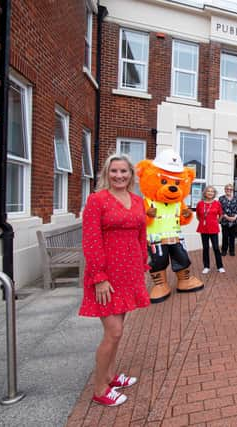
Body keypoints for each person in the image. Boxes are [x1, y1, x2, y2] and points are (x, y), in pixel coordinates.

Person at [80, 154, 150, 407]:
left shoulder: (137, 201)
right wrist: (98, 277)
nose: (119, 176)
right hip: (106, 276)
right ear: (106, 174)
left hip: (129, 273)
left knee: (117, 334)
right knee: (114, 332)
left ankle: (110, 377)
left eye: (124, 171)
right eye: (114, 171)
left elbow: (142, 235)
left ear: (131, 174)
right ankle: (100, 389)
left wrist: (143, 263)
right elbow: (90, 240)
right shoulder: (97, 200)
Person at [196, 185, 225, 274]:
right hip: (203, 228)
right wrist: (203, 221)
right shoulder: (200, 203)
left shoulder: (217, 203)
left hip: (213, 228)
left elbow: (221, 215)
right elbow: (198, 215)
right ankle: (206, 266)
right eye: (208, 191)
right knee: (205, 248)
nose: (210, 193)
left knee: (216, 247)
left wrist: (216, 222)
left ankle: (220, 266)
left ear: (214, 193)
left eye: (212, 191)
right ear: (205, 193)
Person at [219, 183, 237, 257]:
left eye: (230, 189)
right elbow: (220, 209)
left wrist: (234, 217)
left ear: (232, 190)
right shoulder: (221, 198)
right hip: (224, 220)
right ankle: (224, 250)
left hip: (234, 221)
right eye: (227, 189)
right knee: (225, 236)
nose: (229, 190)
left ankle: (232, 251)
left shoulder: (236, 198)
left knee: (232, 236)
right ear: (225, 190)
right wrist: (226, 217)